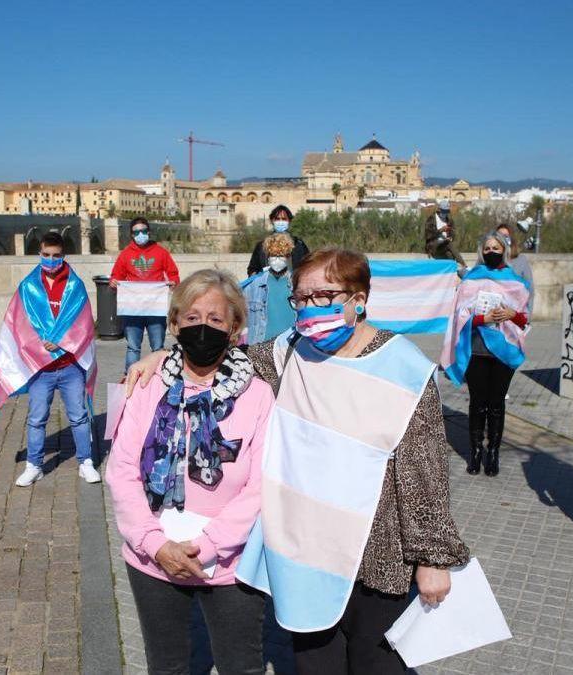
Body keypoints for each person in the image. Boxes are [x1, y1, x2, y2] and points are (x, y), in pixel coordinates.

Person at [127, 249, 470, 674]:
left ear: (359, 298)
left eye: (323, 296)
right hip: (306, 552)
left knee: (377, 665)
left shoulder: (405, 369)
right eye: (301, 298)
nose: (310, 309)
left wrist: (432, 560)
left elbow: (425, 475)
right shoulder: (288, 353)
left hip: (378, 553)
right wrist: (160, 358)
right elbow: (220, 358)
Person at [107, 269, 274, 675]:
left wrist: (211, 545)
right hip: (152, 557)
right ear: (175, 323)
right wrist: (154, 542)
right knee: (168, 667)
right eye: (193, 317)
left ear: (235, 328)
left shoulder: (258, 394)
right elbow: (123, 469)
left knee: (242, 666)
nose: (203, 328)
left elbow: (262, 484)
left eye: (216, 320)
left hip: (232, 561)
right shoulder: (146, 385)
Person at [0, 231, 101, 486]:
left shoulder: (75, 285)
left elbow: (84, 324)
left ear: (63, 256)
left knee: (78, 416)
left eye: (56, 256)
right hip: (41, 367)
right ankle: (34, 465)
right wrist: (42, 343)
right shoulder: (28, 286)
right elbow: (18, 325)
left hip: (70, 366)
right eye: (46, 255)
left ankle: (86, 462)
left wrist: (61, 340)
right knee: (37, 418)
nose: (51, 260)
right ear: (39, 254)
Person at [439, 233, 531, 477]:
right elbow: (459, 314)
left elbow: (524, 320)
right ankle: (476, 452)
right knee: (477, 403)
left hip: (504, 352)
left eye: (496, 247)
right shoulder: (470, 280)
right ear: (482, 251)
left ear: (505, 250)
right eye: (487, 248)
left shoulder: (516, 282)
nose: (491, 251)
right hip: (477, 349)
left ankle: (493, 453)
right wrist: (483, 319)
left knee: (497, 404)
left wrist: (512, 314)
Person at [109, 217, 180, 371]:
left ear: (149, 231)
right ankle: (130, 379)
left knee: (158, 347)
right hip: (132, 310)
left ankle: (159, 379)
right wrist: (113, 283)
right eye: (136, 232)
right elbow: (115, 276)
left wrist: (174, 282)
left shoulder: (161, 252)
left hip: (155, 309)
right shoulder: (125, 255)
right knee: (133, 347)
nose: (140, 234)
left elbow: (173, 273)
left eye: (143, 231)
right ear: (131, 235)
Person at [241, 233, 295, 343]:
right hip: (260, 346)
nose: (277, 259)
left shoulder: (298, 284)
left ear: (288, 256)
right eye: (273, 255)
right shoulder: (253, 285)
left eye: (281, 255)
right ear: (267, 256)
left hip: (289, 346)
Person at [246, 205, 310, 276]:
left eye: (284, 219)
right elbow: (252, 269)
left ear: (289, 221)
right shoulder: (261, 246)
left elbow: (308, 266)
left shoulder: (298, 244)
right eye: (277, 219)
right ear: (272, 221)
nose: (280, 221)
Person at [495, 222, 535, 314]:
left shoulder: (521, 260)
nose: (501, 238)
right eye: (498, 235)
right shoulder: (488, 258)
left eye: (505, 235)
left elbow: (530, 291)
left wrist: (527, 317)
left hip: (515, 315)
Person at [422, 199, 468, 270]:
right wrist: (440, 230)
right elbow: (428, 235)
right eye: (444, 211)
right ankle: (463, 264)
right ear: (439, 209)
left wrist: (450, 237)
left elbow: (453, 233)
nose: (445, 213)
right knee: (449, 244)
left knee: (450, 255)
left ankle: (452, 272)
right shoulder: (431, 219)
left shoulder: (449, 220)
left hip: (444, 246)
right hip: (433, 246)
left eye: (447, 211)